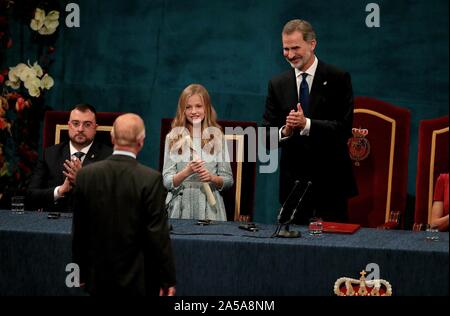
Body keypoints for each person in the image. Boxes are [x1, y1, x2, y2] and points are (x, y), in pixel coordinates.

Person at [262, 19, 357, 225]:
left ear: (312, 44)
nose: (290, 54)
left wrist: (306, 124)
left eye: (295, 47)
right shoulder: (277, 84)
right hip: (293, 189)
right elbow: (264, 139)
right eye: (285, 49)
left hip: (331, 185)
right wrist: (285, 131)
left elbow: (343, 129)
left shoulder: (338, 78)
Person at [72, 113, 176, 296]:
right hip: (138, 281)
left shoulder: (85, 175)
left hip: (98, 278)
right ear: (141, 141)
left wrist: (78, 271)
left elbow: (79, 231)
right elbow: (157, 236)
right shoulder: (150, 179)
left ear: (112, 138)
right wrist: (166, 279)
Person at [162, 84, 233, 221]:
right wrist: (186, 172)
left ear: (206, 108)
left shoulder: (217, 137)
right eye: (188, 107)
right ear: (182, 110)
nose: (194, 111)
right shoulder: (173, 137)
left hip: (210, 208)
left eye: (198, 106)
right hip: (179, 208)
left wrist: (212, 178)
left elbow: (228, 180)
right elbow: (167, 180)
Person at [27, 104, 113, 212]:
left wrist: (83, 182)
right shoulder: (50, 154)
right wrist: (59, 191)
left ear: (95, 128)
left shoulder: (109, 157)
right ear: (69, 125)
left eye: (87, 124)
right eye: (76, 124)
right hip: (52, 224)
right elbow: (31, 195)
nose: (80, 129)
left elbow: (114, 201)